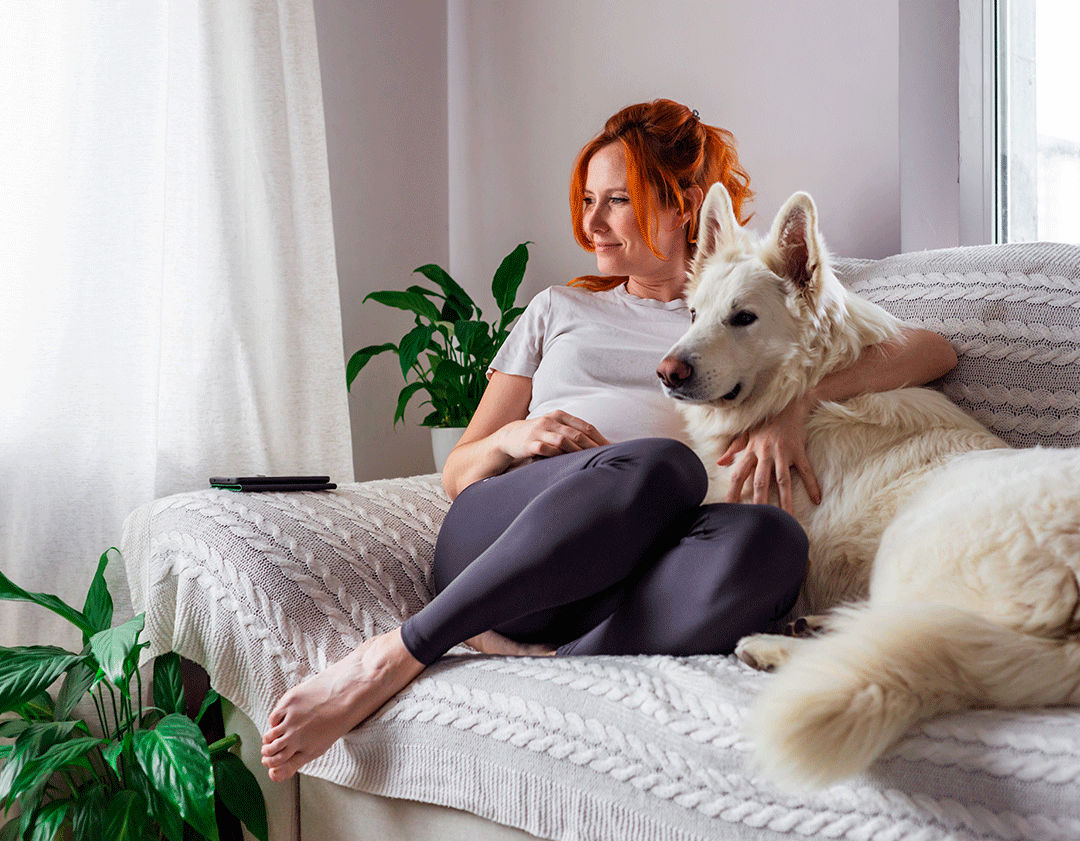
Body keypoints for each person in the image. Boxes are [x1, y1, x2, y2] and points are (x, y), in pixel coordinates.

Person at [259, 99, 957, 782]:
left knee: (772, 539)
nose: (592, 222)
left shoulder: (744, 305)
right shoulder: (558, 308)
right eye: (588, 200)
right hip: (511, 532)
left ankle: (557, 663)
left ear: (682, 204)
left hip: (631, 569)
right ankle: (399, 652)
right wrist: (517, 436)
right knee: (665, 466)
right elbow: (459, 468)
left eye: (616, 200)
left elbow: (932, 350)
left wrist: (795, 406)